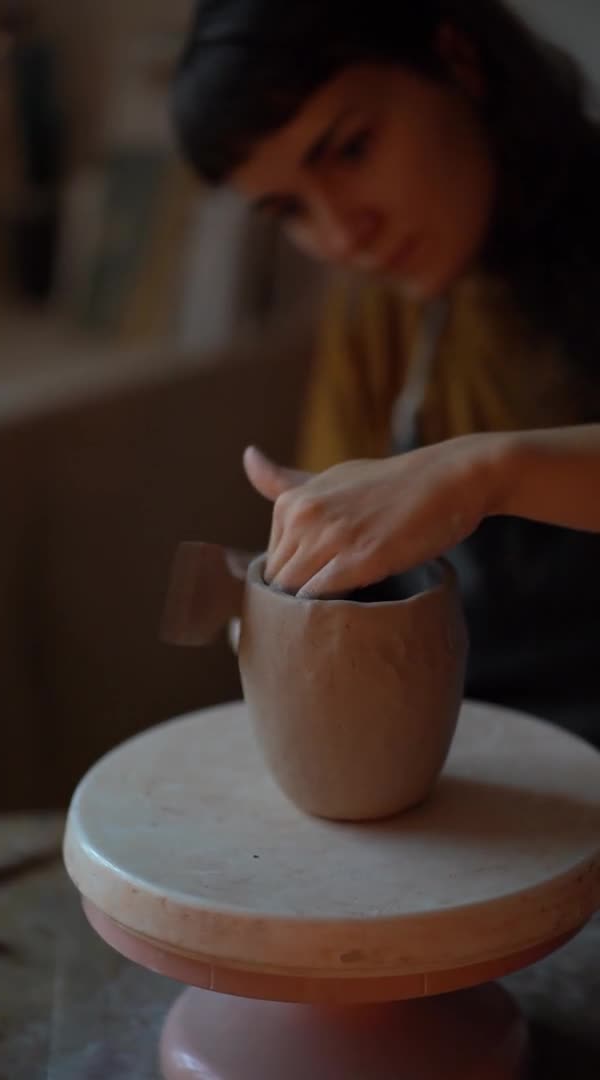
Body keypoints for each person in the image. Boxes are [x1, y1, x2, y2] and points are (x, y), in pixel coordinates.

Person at [172, 0, 600, 745]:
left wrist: (483, 474)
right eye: (289, 209)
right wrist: (286, 596)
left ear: (457, 62)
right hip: (467, 754)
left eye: (351, 150)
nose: (342, 233)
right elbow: (347, 538)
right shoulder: (380, 312)